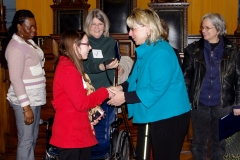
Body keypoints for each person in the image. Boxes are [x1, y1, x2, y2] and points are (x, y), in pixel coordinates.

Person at [107, 8, 191, 160]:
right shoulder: (147, 49)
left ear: (147, 28)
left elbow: (156, 89)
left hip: (170, 115)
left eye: (133, 29)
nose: (129, 34)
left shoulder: (161, 52)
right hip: (158, 112)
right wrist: (120, 87)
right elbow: (135, 78)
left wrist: (124, 97)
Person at [182, 13, 240, 160]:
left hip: (223, 105)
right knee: (198, 144)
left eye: (208, 27)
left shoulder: (233, 50)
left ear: (219, 30)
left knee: (219, 144)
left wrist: (238, 104)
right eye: (202, 27)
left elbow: (239, 79)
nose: (203, 30)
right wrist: (186, 100)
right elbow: (186, 77)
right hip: (199, 104)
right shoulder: (192, 50)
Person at [49, 30, 112, 160]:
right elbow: (82, 103)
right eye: (87, 44)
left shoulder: (71, 65)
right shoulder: (68, 69)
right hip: (71, 135)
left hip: (77, 132)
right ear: (75, 46)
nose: (90, 47)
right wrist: (105, 91)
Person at [3, 10, 46, 160]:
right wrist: (26, 107)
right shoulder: (15, 47)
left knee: (32, 138)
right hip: (25, 101)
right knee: (26, 141)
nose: (34, 30)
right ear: (19, 27)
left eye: (35, 26)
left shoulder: (28, 42)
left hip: (35, 98)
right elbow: (15, 79)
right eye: (30, 27)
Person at [83, 8, 120, 158]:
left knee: (105, 133)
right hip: (90, 94)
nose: (97, 27)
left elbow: (117, 60)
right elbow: (86, 65)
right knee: (92, 132)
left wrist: (120, 67)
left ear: (105, 26)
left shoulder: (110, 42)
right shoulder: (84, 41)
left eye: (100, 24)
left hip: (107, 93)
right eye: (93, 24)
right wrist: (102, 66)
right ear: (88, 25)